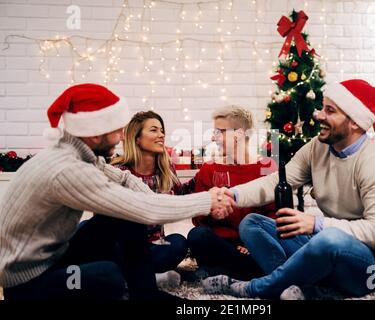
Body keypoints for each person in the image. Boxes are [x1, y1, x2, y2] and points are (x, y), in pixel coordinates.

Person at [0, 83, 234, 300]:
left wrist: (154, 199)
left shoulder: (80, 156)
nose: (123, 136)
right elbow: (144, 209)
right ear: (94, 133)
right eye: (117, 129)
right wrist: (207, 200)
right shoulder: (68, 170)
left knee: (126, 217)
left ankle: (146, 294)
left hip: (55, 257)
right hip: (29, 281)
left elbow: (125, 181)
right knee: (108, 276)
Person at [202, 79, 375, 299]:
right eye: (322, 107)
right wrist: (233, 194)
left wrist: (316, 224)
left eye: (330, 110)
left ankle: (255, 288)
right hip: (329, 250)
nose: (319, 115)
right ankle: (297, 287)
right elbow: (276, 182)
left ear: (354, 122)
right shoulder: (318, 148)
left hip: (374, 269)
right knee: (252, 224)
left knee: (329, 238)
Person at [187, 106, 277, 280]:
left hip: (253, 241)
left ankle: (222, 273)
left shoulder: (265, 168)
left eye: (220, 132)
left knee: (272, 246)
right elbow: (198, 219)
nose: (214, 137)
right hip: (220, 242)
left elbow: (272, 215)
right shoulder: (209, 169)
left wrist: (250, 242)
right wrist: (212, 213)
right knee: (197, 236)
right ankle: (248, 272)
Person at [110, 110, 190, 286]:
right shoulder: (119, 170)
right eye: (154, 130)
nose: (161, 135)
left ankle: (132, 277)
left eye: (162, 131)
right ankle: (147, 278)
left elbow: (181, 196)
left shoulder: (166, 170)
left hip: (154, 246)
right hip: (125, 246)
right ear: (136, 138)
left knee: (178, 243)